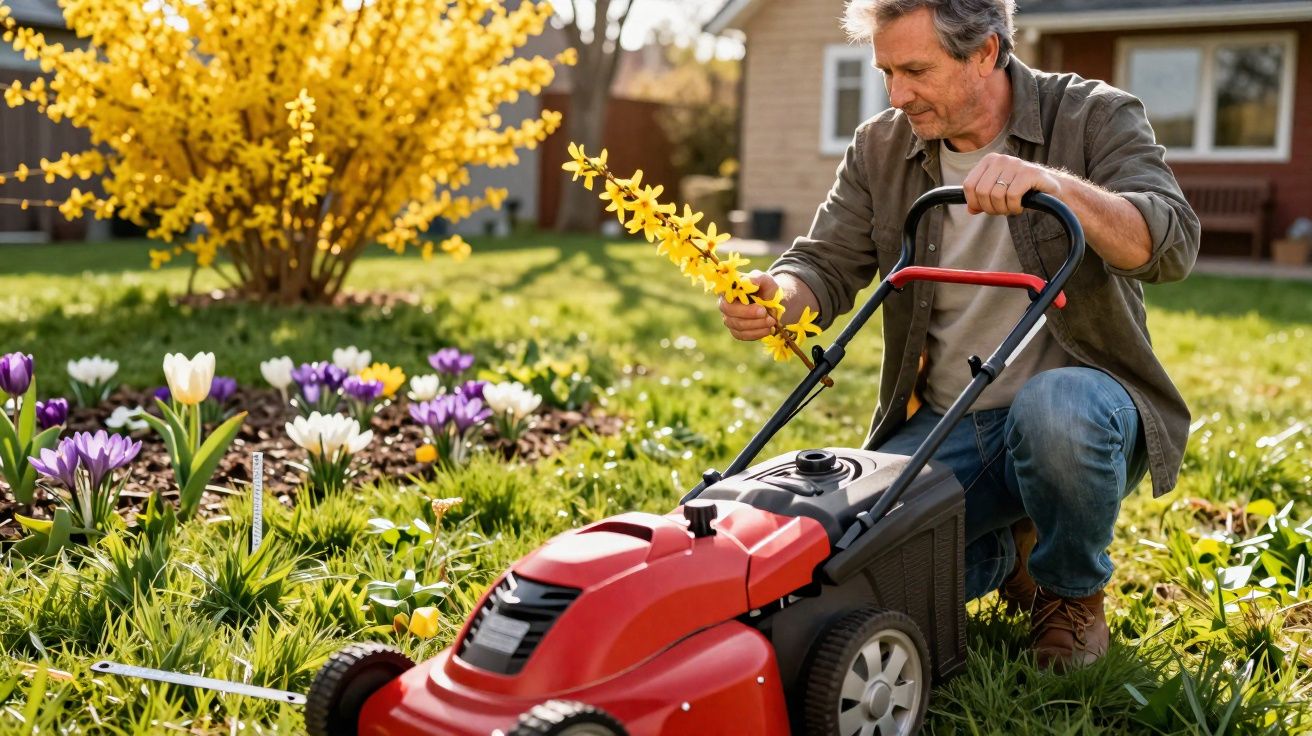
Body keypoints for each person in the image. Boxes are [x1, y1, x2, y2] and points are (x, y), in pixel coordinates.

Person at [720, 0, 1199, 671]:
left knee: (1055, 413)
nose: (896, 93)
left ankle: (1070, 596)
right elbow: (824, 263)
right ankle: (1009, 551)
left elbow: (1170, 243)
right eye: (886, 70)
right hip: (952, 424)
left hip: (1084, 418)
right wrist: (781, 297)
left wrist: (1051, 184)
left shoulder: (1094, 114)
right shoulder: (880, 146)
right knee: (848, 577)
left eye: (915, 69)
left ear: (986, 52)